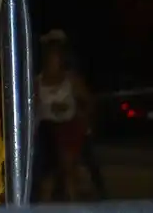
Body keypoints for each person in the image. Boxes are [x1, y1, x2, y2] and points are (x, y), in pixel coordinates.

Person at [33, 31, 103, 200]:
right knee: (47, 177)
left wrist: (83, 118)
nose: (54, 59)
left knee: (71, 169)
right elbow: (33, 109)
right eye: (51, 55)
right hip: (47, 130)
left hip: (70, 127)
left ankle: (78, 201)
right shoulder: (37, 82)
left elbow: (88, 102)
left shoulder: (71, 79)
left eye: (57, 55)